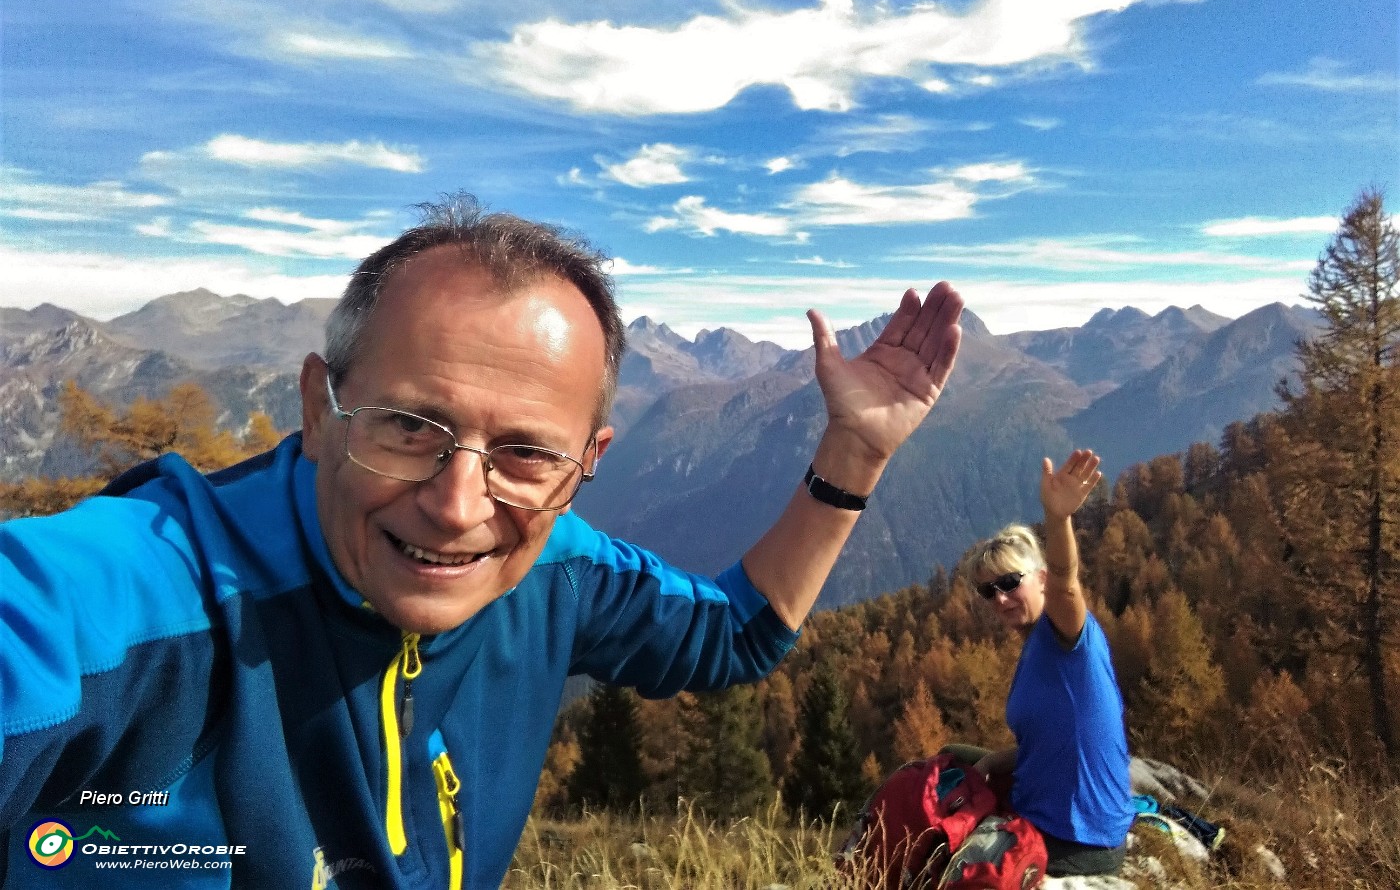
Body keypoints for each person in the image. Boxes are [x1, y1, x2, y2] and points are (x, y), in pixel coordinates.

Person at [0, 195, 964, 889]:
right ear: (319, 407)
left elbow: (738, 636)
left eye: (525, 453)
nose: (460, 504)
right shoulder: (142, 597)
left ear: (588, 459)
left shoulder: (559, 568)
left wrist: (853, 451)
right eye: (408, 426)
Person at [960, 449, 1133, 877]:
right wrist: (989, 763)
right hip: (1051, 812)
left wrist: (1057, 519)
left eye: (1009, 582)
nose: (999, 598)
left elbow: (1066, 584)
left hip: (1076, 837)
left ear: (1039, 578)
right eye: (988, 591)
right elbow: (1048, 742)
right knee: (952, 757)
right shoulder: (1037, 645)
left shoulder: (1068, 636)